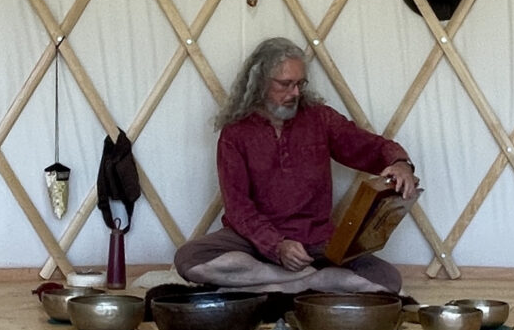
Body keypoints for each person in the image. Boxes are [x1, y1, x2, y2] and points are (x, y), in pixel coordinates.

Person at [174, 38, 420, 295]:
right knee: (190, 259)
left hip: (316, 242)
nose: (295, 93)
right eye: (285, 84)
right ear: (259, 82)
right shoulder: (236, 134)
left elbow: (368, 147)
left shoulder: (320, 119)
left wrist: (400, 162)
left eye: (300, 84)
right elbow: (238, 208)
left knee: (387, 280)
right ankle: (307, 283)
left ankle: (274, 286)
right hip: (253, 242)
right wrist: (277, 245)